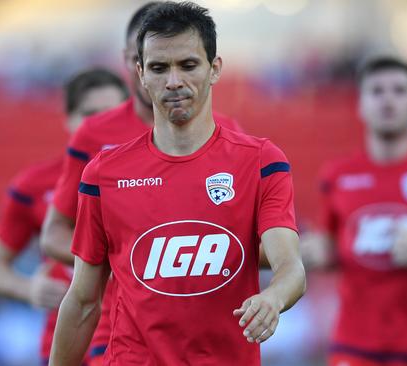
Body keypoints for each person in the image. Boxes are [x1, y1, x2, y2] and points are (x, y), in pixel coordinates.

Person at [49, 2, 306, 365]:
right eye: (158, 68)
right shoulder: (103, 173)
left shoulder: (262, 162)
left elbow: (290, 267)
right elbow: (83, 299)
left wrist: (273, 298)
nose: (173, 81)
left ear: (214, 69)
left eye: (188, 65)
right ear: (140, 73)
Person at [301, 57, 407, 366]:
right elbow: (332, 246)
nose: (388, 100)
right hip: (353, 344)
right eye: (376, 91)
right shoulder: (337, 175)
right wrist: (317, 252)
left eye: (400, 91)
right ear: (360, 104)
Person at [0, 68, 129, 364]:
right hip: (64, 343)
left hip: (129, 337)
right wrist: (29, 288)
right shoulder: (33, 186)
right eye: (90, 114)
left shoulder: (154, 179)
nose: (101, 125)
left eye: (111, 115)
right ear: (69, 120)